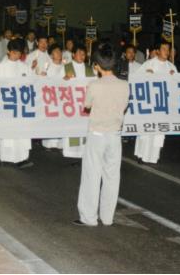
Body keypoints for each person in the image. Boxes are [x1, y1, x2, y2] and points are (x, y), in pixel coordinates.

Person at [74, 43, 129, 226]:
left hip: (97, 135)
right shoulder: (124, 85)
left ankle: (89, 218)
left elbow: (87, 106)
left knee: (91, 175)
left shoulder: (94, 85)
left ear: (97, 65)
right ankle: (107, 217)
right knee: (112, 177)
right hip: (115, 135)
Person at [0, 39, 33, 169]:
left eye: (19, 53)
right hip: (7, 105)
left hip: (21, 106)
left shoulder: (25, 67)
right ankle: (6, 158)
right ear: (8, 51)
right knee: (7, 132)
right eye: (14, 52)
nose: (17, 55)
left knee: (21, 132)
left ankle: (22, 159)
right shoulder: (0, 67)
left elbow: (32, 82)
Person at [134, 41, 177, 164]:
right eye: (164, 49)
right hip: (149, 103)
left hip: (163, 105)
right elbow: (136, 80)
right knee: (146, 130)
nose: (166, 52)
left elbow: (177, 86)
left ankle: (154, 156)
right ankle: (141, 155)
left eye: (168, 50)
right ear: (158, 51)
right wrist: (146, 76)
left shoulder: (171, 67)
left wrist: (174, 77)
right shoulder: (149, 64)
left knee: (159, 131)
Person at [62, 43, 96, 158]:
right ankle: (71, 152)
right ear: (73, 54)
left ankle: (84, 151)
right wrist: (64, 79)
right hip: (71, 105)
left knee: (85, 126)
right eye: (79, 53)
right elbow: (56, 84)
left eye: (84, 54)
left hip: (85, 104)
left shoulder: (89, 68)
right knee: (72, 126)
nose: (82, 56)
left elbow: (95, 84)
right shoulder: (66, 68)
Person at [42, 43, 64, 150]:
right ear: (51, 55)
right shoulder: (48, 66)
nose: (59, 53)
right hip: (51, 98)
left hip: (63, 98)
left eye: (60, 51)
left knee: (61, 121)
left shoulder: (66, 67)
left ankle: (60, 143)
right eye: (56, 52)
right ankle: (49, 143)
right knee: (51, 120)